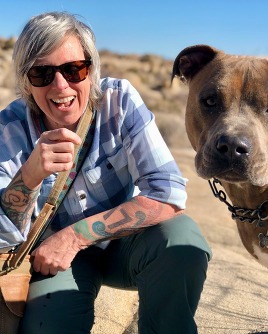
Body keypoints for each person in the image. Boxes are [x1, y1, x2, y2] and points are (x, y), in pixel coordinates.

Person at [0, 11, 211, 334]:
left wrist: (74, 237)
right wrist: (28, 177)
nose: (61, 86)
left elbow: (167, 192)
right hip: (54, 258)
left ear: (92, 69)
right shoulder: (10, 127)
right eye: (42, 73)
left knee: (181, 240)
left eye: (74, 70)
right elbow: (3, 237)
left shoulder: (120, 101)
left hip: (121, 245)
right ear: (26, 82)